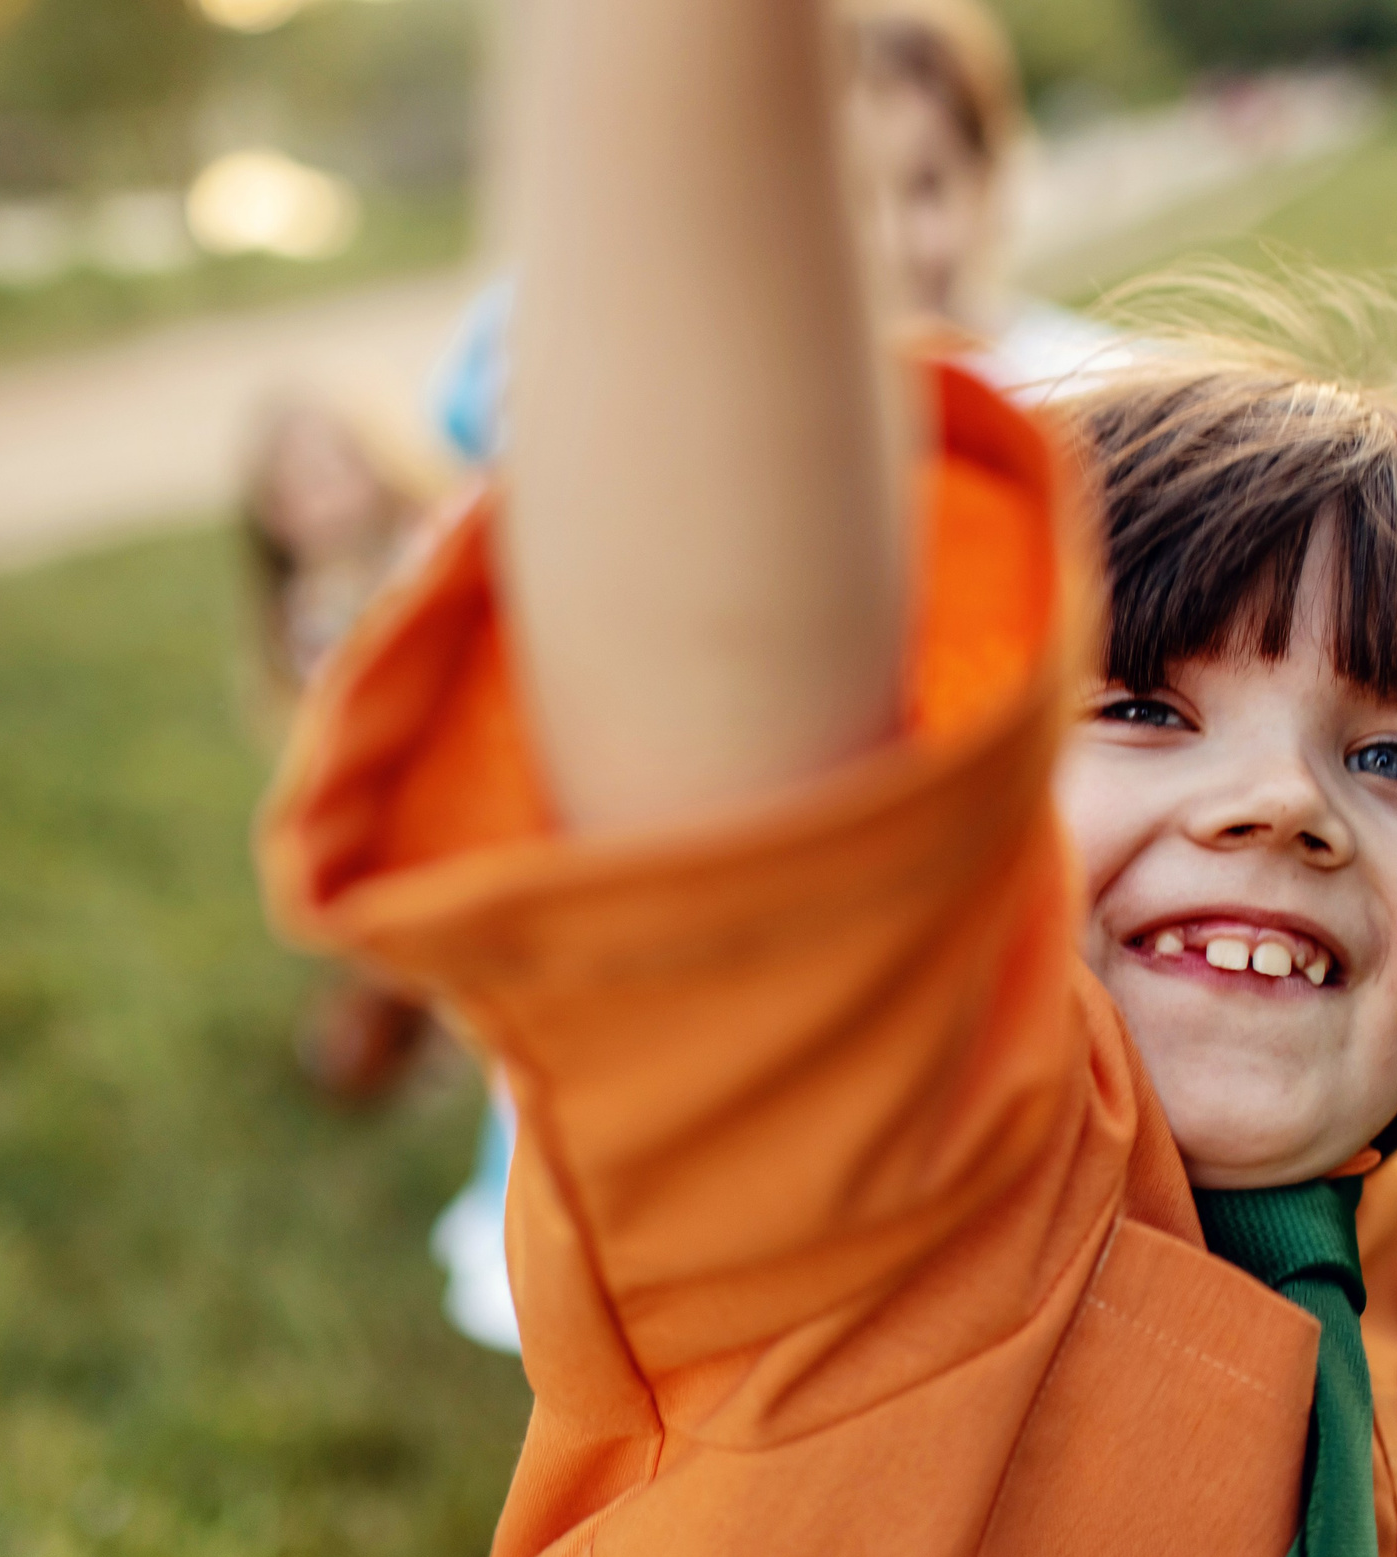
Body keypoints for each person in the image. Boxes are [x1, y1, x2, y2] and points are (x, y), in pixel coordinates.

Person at [261, 4, 1397, 1557]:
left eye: (1395, 754)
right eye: (1145, 708)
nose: (1286, 803)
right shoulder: (876, 1174)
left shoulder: (1374, 1254)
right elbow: (721, 665)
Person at [423, 0, 1127, 1356]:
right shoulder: (708, 424)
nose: (883, 241)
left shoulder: (1087, 390)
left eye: (925, 186)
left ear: (993, 180)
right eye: (836, 193)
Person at [237, 395, 447, 1102]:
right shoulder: (312, 615)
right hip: (397, 805)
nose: (321, 496)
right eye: (295, 485)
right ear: (273, 517)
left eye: (335, 467)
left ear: (380, 465)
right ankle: (408, 1028)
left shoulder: (430, 544)